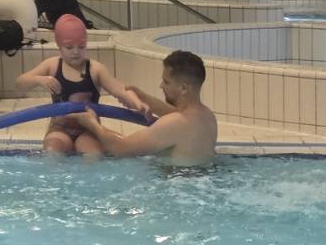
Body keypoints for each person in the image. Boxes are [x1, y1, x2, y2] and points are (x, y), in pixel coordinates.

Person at [15, 14, 150, 158]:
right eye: (69, 47)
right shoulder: (52, 66)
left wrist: (138, 104)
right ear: (59, 46)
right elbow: (20, 84)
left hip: (89, 129)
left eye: (81, 46)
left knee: (92, 155)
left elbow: (120, 90)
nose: (75, 52)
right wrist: (38, 79)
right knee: (52, 152)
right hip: (60, 128)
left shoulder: (95, 69)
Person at [69, 50, 218, 165]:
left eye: (166, 82)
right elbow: (178, 114)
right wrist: (145, 98)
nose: (161, 86)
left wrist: (92, 124)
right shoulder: (208, 117)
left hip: (175, 186)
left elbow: (121, 149)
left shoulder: (175, 123)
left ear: (184, 88)